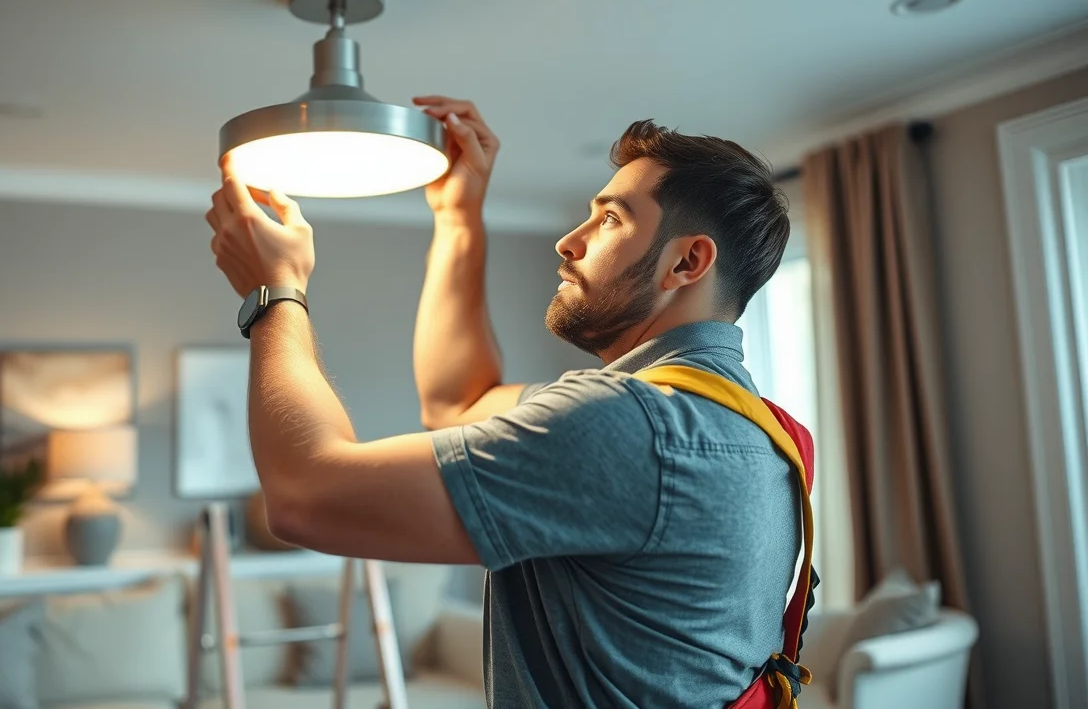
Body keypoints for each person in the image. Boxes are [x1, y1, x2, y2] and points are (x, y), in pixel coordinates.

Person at [205, 96, 802, 708]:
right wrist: (459, 218)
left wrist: (275, 292)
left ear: (686, 261)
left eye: (611, 220)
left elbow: (306, 497)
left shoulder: (630, 428)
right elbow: (459, 402)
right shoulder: (741, 424)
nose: (569, 242)